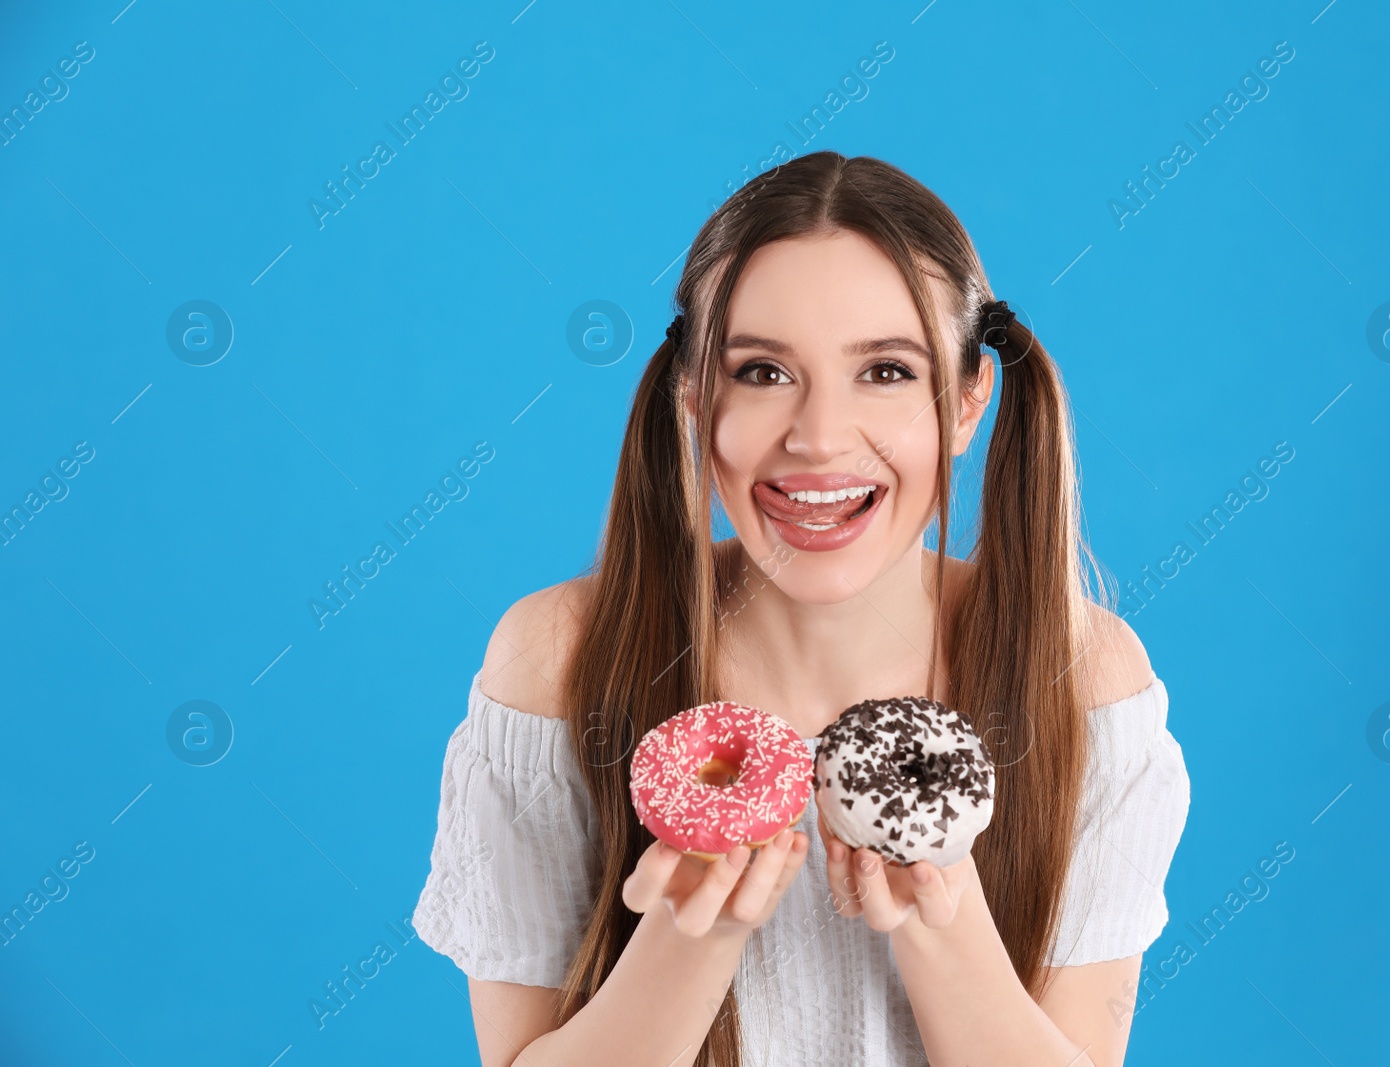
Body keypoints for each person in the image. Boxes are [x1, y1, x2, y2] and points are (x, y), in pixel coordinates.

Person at [411, 150, 1190, 1067]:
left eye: (889, 372)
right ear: (695, 398)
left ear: (970, 398)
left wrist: (943, 924)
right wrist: (692, 933)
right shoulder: (558, 660)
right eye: (763, 373)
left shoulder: (1079, 677)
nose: (818, 438)